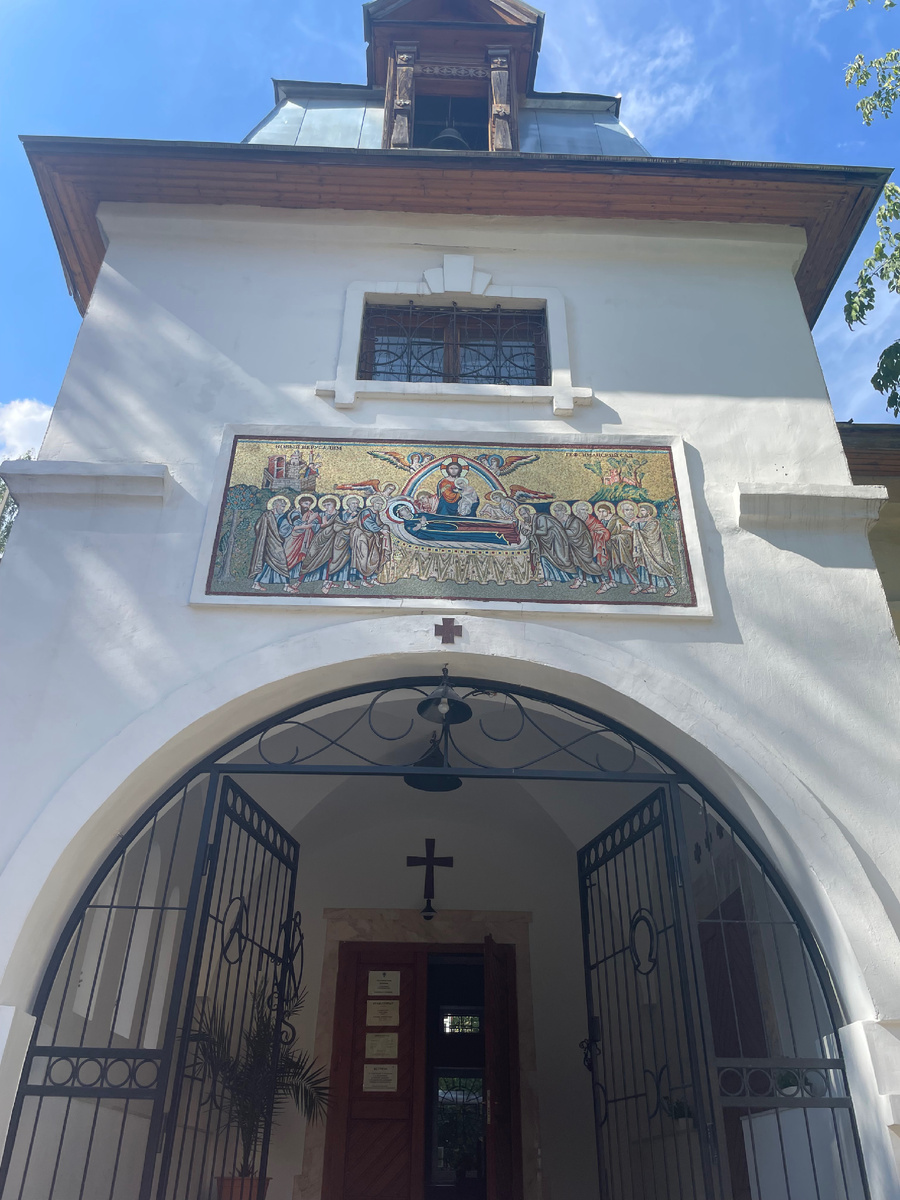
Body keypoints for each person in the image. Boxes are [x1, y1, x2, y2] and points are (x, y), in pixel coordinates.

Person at [301, 495, 357, 593]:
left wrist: (350, 521)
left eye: (329, 504)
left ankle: (339, 581)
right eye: (325, 505)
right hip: (322, 540)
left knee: (338, 559)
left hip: (337, 540)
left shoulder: (339, 514)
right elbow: (313, 525)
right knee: (317, 558)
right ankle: (323, 580)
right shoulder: (321, 514)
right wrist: (318, 523)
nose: (327, 507)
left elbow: (341, 524)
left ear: (334, 505)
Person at [551, 501, 601, 589]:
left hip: (582, 546)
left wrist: (559, 530)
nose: (557, 513)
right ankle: (580, 580)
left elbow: (573, 533)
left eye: (558, 511)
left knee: (588, 563)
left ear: (564, 511)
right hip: (573, 546)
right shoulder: (562, 521)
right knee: (576, 563)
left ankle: (603, 581)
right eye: (555, 511)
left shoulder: (574, 521)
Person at [632, 502, 678, 597]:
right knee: (648, 566)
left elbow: (649, 535)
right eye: (640, 510)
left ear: (648, 511)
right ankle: (652, 586)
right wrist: (635, 524)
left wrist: (635, 529)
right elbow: (636, 529)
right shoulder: (642, 521)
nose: (641, 512)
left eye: (643, 510)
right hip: (646, 548)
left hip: (655, 548)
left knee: (661, 565)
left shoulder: (654, 522)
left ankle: (672, 587)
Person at [250, 496, 293, 592]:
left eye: (284, 506)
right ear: (276, 505)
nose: (283, 509)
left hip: (269, 542)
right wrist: (290, 526)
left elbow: (258, 527)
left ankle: (256, 583)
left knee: (267, 562)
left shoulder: (267, 515)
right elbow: (283, 532)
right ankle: (286, 585)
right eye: (282, 506)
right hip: (273, 544)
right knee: (281, 562)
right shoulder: (273, 517)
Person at [284, 494, 320, 586]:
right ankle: (284, 579)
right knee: (289, 557)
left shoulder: (311, 513)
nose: (307, 506)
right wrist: (310, 520)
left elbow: (316, 524)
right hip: (293, 539)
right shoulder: (295, 513)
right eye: (305, 503)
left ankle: (297, 577)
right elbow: (297, 524)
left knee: (302, 558)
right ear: (300, 503)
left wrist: (313, 521)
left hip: (306, 539)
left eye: (309, 504)